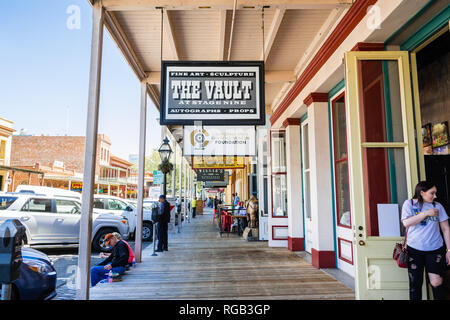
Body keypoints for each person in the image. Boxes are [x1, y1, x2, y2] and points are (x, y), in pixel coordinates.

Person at [401, 181, 450, 300]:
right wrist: (426, 214)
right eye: (432, 193)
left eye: (435, 193)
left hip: (435, 249)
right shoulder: (409, 204)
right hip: (414, 249)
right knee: (415, 284)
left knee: (436, 283)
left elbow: (445, 228)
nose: (435, 196)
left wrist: (449, 250)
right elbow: (406, 222)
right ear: (422, 193)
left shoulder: (437, 206)